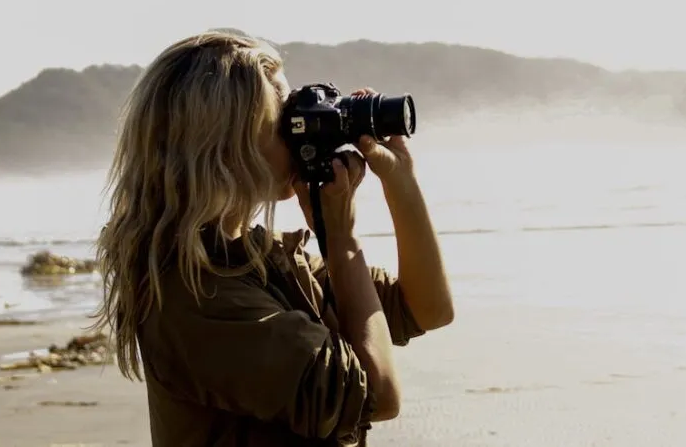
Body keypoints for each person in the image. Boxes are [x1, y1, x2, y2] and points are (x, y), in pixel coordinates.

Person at [92, 30, 454, 446]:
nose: (301, 128)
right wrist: (342, 243)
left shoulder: (261, 257)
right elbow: (375, 396)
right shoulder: (197, 294)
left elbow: (428, 308)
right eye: (284, 117)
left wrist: (400, 180)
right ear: (227, 146)